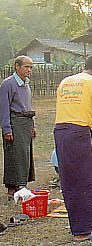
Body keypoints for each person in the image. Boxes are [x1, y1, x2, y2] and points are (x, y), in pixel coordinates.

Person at [54, 54, 92, 241]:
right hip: (78, 132)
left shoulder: (66, 81)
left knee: (68, 179)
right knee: (83, 179)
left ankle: (76, 227)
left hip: (60, 131)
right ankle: (83, 231)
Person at [1, 55, 37, 198]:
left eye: (31, 67)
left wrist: (32, 125)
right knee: (14, 154)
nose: (29, 70)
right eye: (26, 67)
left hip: (26, 122)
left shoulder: (26, 84)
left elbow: (28, 106)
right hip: (15, 122)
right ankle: (12, 188)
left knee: (25, 155)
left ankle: (22, 185)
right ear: (17, 66)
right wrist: (7, 128)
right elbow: (3, 108)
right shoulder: (8, 84)